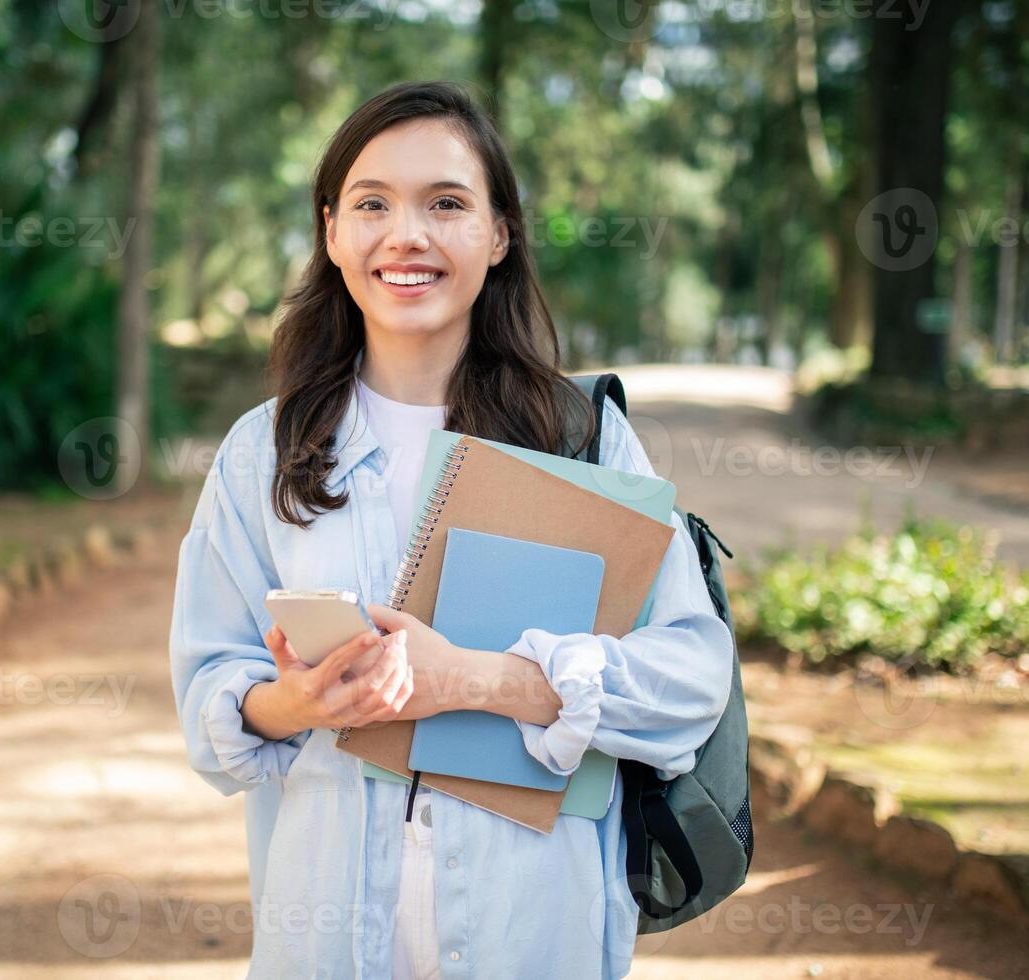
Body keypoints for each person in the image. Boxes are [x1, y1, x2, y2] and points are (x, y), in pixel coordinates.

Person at [168, 79, 734, 979]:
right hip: (330, 939)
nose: (408, 236)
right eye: (372, 204)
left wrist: (474, 680)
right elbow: (210, 697)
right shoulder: (262, 452)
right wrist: (296, 705)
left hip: (536, 932)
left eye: (447, 204)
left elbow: (691, 684)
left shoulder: (583, 438)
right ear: (330, 230)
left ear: (500, 232)